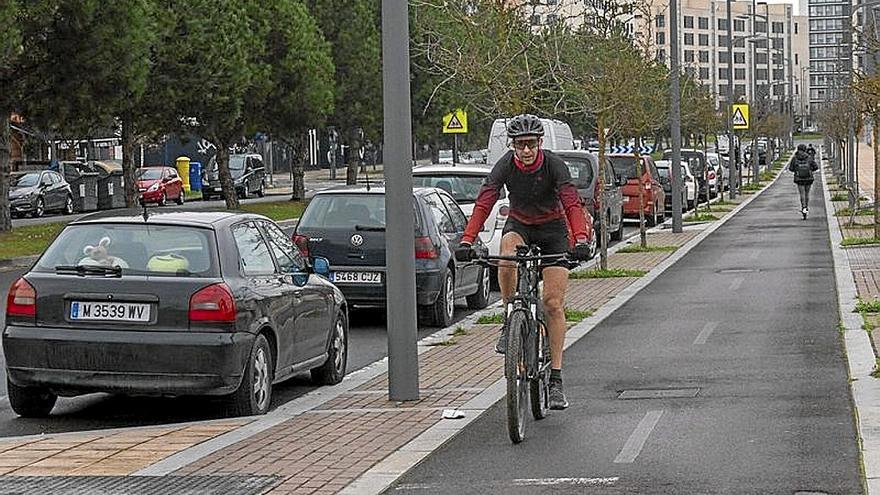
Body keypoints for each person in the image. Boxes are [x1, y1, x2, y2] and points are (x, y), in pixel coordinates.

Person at [459, 114, 592, 410]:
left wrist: (580, 239)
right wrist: (468, 240)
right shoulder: (505, 164)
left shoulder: (554, 165)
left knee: (553, 303)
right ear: (513, 146)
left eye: (531, 144)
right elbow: (485, 201)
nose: (526, 150)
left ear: (540, 143)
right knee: (506, 255)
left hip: (552, 229)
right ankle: (510, 317)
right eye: (520, 145)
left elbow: (571, 202)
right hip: (520, 225)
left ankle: (556, 379)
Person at [789, 144, 819, 219]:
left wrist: (797, 170)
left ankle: (803, 208)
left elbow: (791, 169)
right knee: (807, 194)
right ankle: (806, 208)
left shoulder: (795, 158)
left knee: (802, 194)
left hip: (799, 179)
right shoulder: (809, 157)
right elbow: (815, 167)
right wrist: (810, 170)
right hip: (809, 178)